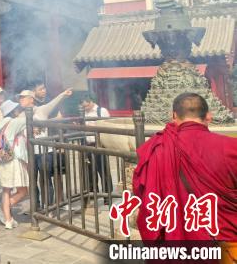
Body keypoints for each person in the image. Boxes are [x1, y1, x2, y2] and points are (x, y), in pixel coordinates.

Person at [133, 93, 237, 257]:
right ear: (208, 116)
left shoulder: (158, 149)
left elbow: (146, 200)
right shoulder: (231, 148)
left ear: (173, 116)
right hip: (226, 245)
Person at [0, 100, 28, 229]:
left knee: (6, 191)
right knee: (23, 191)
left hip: (2, 160)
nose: (18, 110)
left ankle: (8, 220)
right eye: (17, 109)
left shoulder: (0, 125)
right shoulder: (14, 122)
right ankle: (3, 209)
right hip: (13, 160)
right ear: (13, 112)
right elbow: (31, 119)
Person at [80, 92, 112, 203]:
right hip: (87, 144)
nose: (85, 108)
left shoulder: (101, 111)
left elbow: (108, 125)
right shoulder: (84, 113)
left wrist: (93, 125)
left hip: (99, 144)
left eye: (86, 106)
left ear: (91, 102)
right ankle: (94, 194)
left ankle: (107, 195)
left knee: (103, 170)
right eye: (84, 106)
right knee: (90, 170)